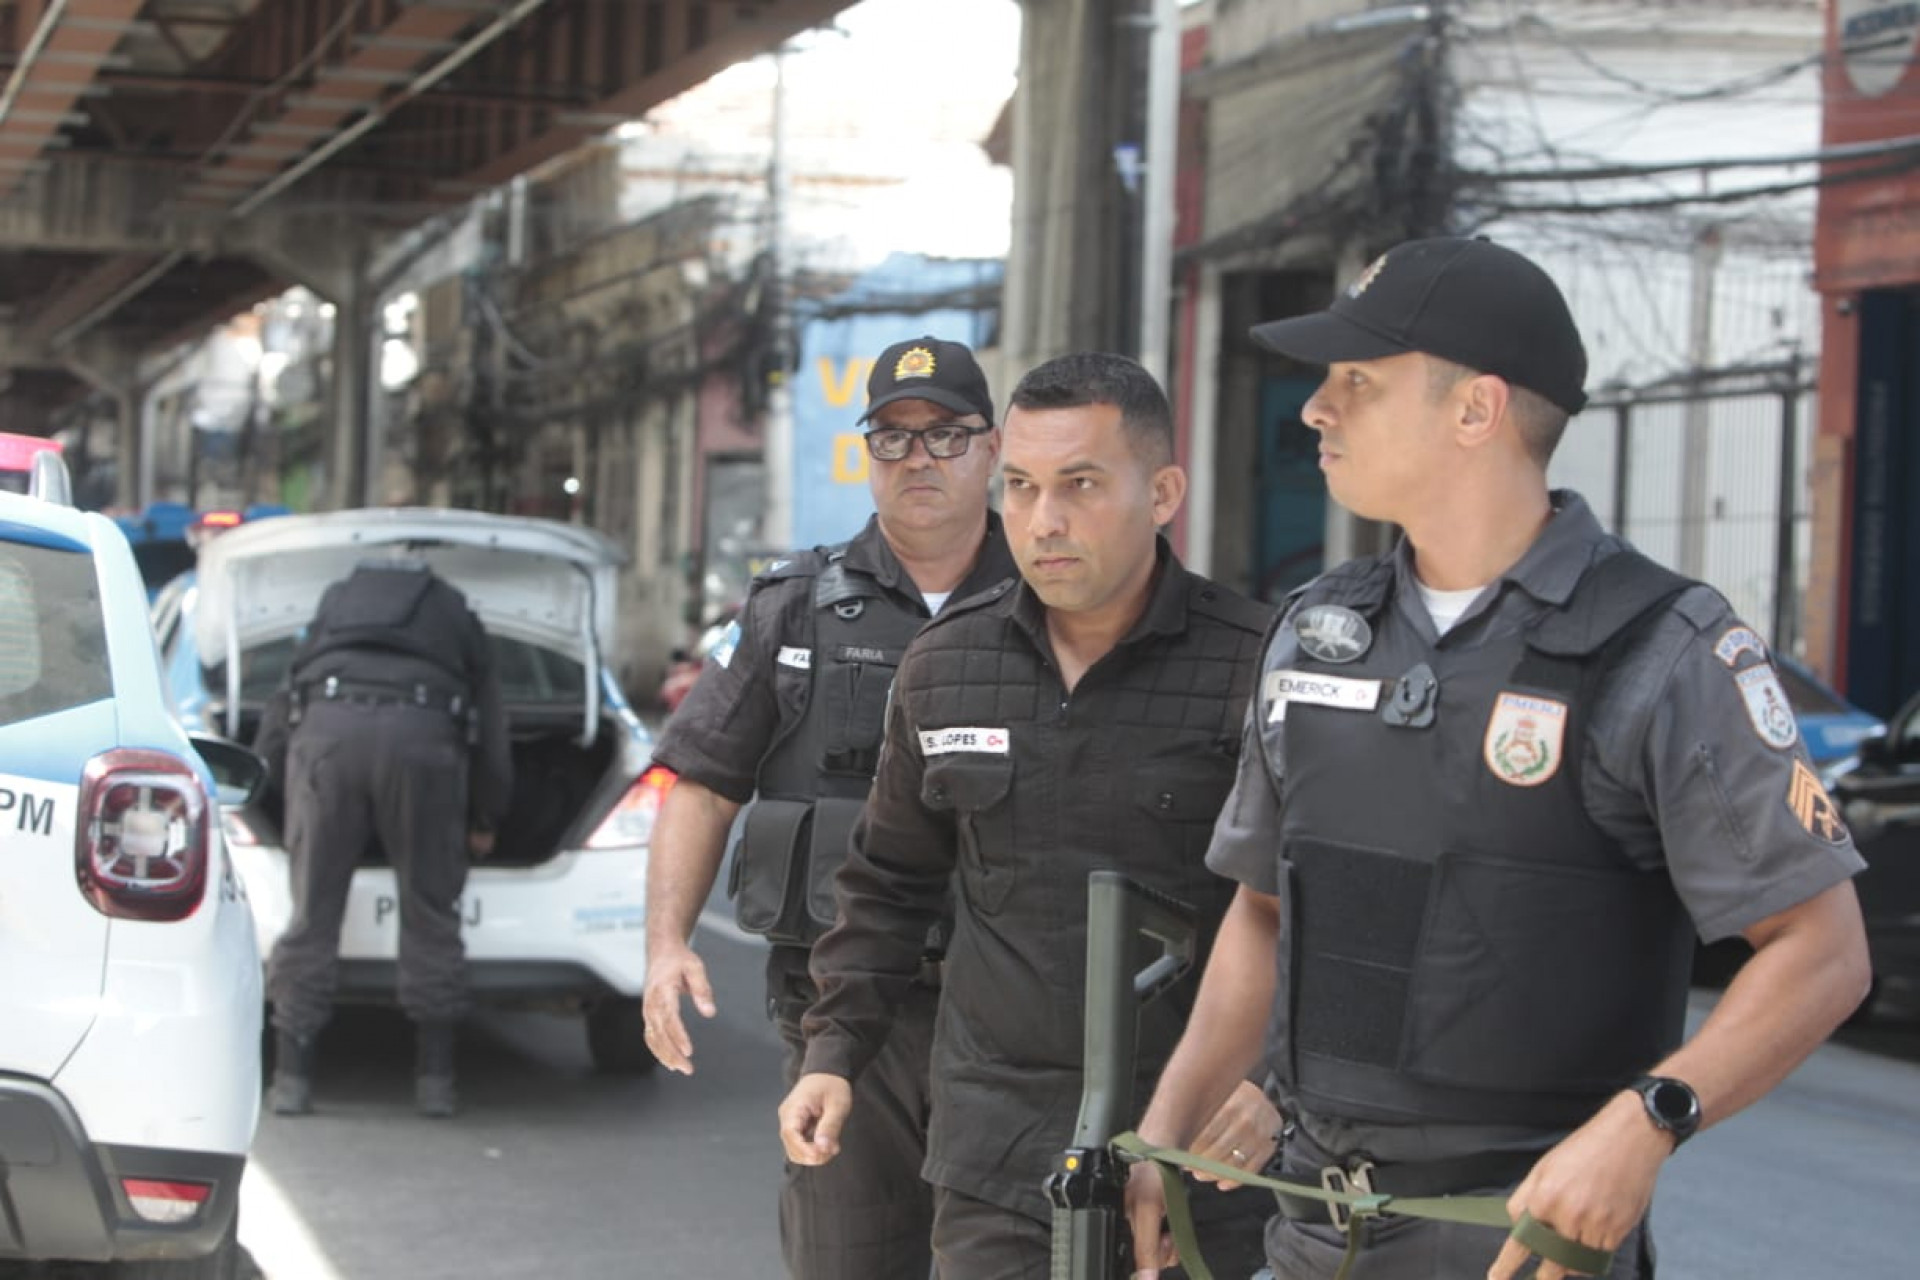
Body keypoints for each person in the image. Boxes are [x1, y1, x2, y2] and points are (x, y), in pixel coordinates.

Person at [1122, 237, 1873, 1280]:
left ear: (1476, 410)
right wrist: (1167, 1128)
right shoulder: (1315, 631)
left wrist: (1651, 1117)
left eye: (1358, 383)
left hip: (1520, 1245)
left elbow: (1823, 949)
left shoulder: (1660, 650)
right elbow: (1265, 907)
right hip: (1308, 1229)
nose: (1315, 410)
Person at [778, 352, 1281, 1280]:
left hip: (1200, 1164)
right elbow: (887, 885)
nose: (1043, 521)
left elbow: (1310, 918)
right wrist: (832, 1053)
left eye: (1080, 485)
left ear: (1163, 491)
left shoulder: (1254, 671)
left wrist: (1270, 1086)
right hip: (994, 1157)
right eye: (1020, 487)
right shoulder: (945, 667)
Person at [643, 335, 1019, 1280]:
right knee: (847, 1256)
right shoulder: (796, 605)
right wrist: (665, 944)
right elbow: (705, 779)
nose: (919, 459)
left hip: (1018, 1015)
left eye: (946, 434)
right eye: (892, 438)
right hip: (841, 1012)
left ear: (993, 447)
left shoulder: (1052, 598)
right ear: (866, 454)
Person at [255, 559, 512, 1119]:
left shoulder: (333, 608)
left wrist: (269, 790)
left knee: (312, 915)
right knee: (429, 912)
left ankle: (292, 1080)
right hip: (423, 747)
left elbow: (285, 700)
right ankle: (435, 1083)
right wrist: (486, 816)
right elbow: (492, 726)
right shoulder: (455, 613)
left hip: (326, 743)